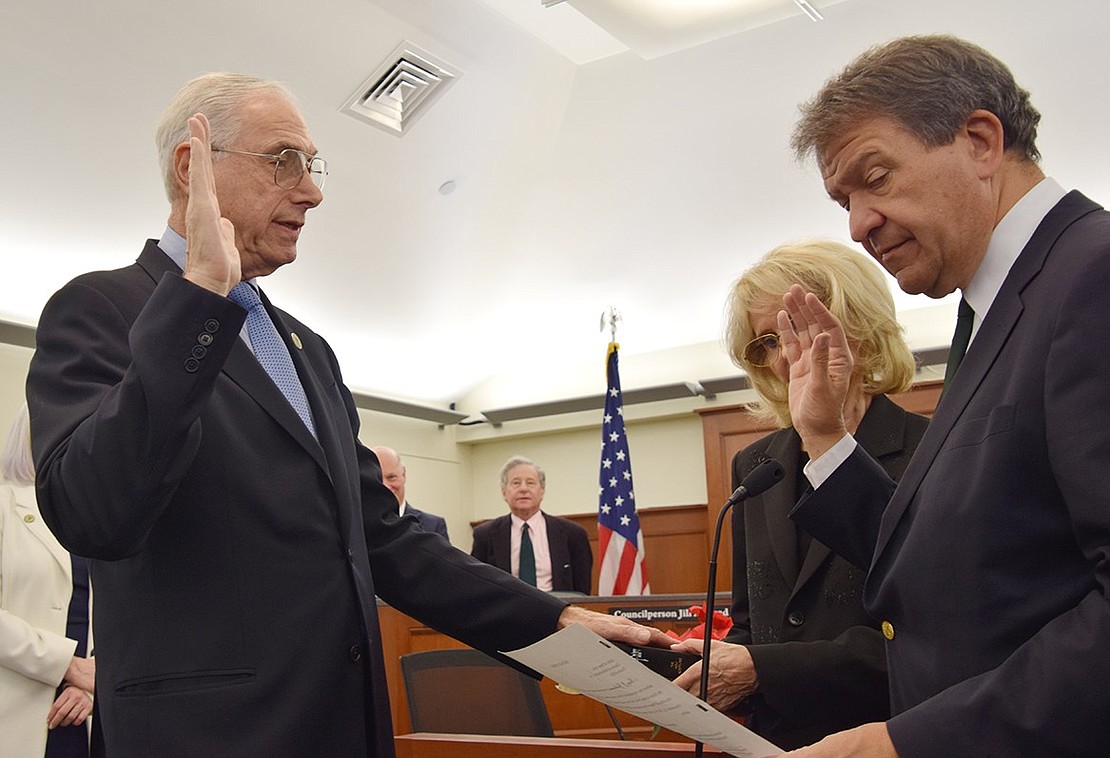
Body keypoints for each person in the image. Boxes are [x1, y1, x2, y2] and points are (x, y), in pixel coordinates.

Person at [25, 72, 671, 758]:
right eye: (285, 162)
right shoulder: (99, 310)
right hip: (209, 737)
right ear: (193, 168)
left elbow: (380, 538)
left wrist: (554, 617)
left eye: (312, 166)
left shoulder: (307, 348)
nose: (312, 191)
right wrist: (198, 300)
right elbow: (93, 512)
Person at [772, 35, 1110, 756]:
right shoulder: (990, 309)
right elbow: (959, 562)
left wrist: (909, 743)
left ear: (981, 141)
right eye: (845, 200)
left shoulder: (1093, 277)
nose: (858, 225)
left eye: (876, 178)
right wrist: (827, 439)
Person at [670, 240, 928, 749]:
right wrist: (708, 669)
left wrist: (762, 669)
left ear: (859, 323)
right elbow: (751, 624)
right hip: (773, 741)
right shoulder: (754, 464)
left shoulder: (934, 450)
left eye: (798, 327)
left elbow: (932, 637)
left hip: (886, 738)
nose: (785, 356)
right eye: (766, 341)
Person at [0, 404, 100, 757]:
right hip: (15, 716)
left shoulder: (104, 523)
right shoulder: (4, 506)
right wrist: (68, 666)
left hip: (84, 716)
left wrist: (93, 681)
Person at [471, 455, 593, 594]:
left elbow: (582, 591)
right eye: (516, 483)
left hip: (556, 610)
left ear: (542, 491)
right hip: (506, 612)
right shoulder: (485, 535)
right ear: (504, 492)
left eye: (530, 483)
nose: (523, 489)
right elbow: (477, 585)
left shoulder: (573, 534)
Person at [370, 446, 449, 541]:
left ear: (404, 475)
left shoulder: (433, 527)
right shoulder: (360, 526)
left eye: (391, 477)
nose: (386, 486)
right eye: (378, 479)